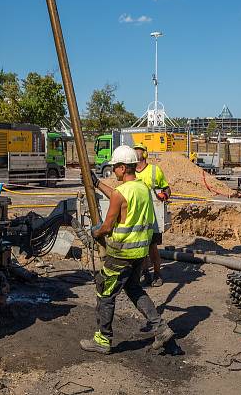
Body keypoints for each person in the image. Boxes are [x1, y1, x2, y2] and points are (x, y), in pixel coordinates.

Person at [80, 145, 174, 354]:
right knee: (134, 289)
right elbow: (119, 195)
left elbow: (107, 225)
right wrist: (97, 184)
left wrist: (95, 233)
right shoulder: (142, 188)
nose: (113, 171)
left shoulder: (121, 193)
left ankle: (103, 340)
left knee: (104, 291)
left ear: (122, 168)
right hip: (140, 254)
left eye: (115, 168)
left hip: (121, 254)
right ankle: (161, 329)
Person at [133, 143, 171, 287]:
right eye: (134, 150)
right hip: (137, 215)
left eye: (139, 150)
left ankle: (157, 274)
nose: (136, 152)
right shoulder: (130, 171)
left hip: (154, 214)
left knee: (152, 247)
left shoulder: (155, 170)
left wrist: (165, 195)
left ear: (144, 153)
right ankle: (144, 273)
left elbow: (167, 188)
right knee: (140, 247)